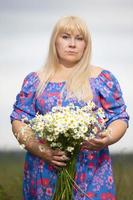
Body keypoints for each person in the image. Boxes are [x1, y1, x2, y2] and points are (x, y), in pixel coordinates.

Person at [10, 16, 129, 200]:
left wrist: (108, 137)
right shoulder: (35, 80)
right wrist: (42, 150)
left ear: (86, 45)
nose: (72, 44)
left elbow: (119, 116)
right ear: (55, 41)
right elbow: (19, 119)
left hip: (92, 171)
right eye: (65, 37)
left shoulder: (102, 78)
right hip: (44, 171)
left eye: (79, 38)